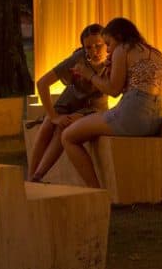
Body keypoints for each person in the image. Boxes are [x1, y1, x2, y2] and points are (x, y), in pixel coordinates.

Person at [61, 17, 162, 188]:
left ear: (118, 36)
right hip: (154, 119)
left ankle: (96, 191)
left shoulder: (122, 49)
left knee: (68, 136)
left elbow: (113, 90)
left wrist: (89, 75)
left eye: (108, 43)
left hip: (132, 115)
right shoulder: (154, 52)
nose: (108, 50)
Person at [26, 23, 110, 183]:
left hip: (92, 106)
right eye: (88, 47)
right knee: (47, 125)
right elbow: (42, 83)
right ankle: (30, 177)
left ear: (106, 43)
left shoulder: (113, 61)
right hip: (70, 100)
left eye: (98, 46)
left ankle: (38, 175)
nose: (94, 51)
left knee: (63, 128)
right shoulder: (78, 59)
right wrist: (53, 116)